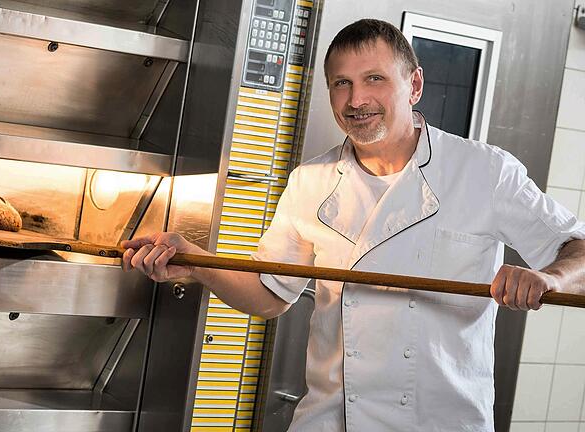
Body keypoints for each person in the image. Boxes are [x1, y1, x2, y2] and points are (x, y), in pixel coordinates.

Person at [121, 19, 585, 431]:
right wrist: (197, 261)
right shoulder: (310, 182)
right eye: (341, 83)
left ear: (415, 84)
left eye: (374, 79)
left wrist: (548, 276)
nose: (356, 99)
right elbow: (269, 295)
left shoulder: (483, 171)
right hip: (329, 419)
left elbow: (579, 248)